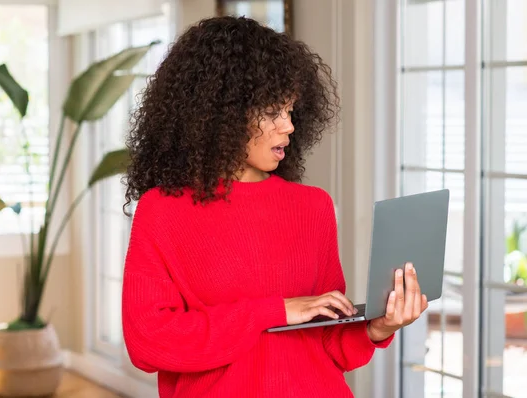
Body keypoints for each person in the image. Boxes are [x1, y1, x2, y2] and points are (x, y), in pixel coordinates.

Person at [121, 16, 428, 398]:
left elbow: (328, 340)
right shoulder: (163, 212)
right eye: (273, 112)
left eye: (291, 110)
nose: (289, 126)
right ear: (222, 113)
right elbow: (149, 343)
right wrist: (276, 311)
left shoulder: (312, 206)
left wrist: (379, 327)